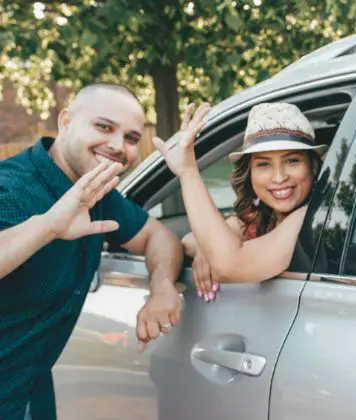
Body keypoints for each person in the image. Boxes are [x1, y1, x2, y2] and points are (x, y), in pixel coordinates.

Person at [0, 82, 204, 419]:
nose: (117, 145)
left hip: (28, 394)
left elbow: (160, 237)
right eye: (104, 127)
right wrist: (48, 225)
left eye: (131, 138)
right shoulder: (12, 187)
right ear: (66, 121)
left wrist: (162, 287)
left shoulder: (98, 194)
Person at [156, 102, 324, 300]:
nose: (279, 177)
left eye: (292, 161)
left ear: (312, 167)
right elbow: (188, 241)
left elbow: (228, 265)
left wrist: (188, 173)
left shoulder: (309, 217)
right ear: (249, 173)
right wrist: (206, 247)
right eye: (263, 164)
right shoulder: (263, 217)